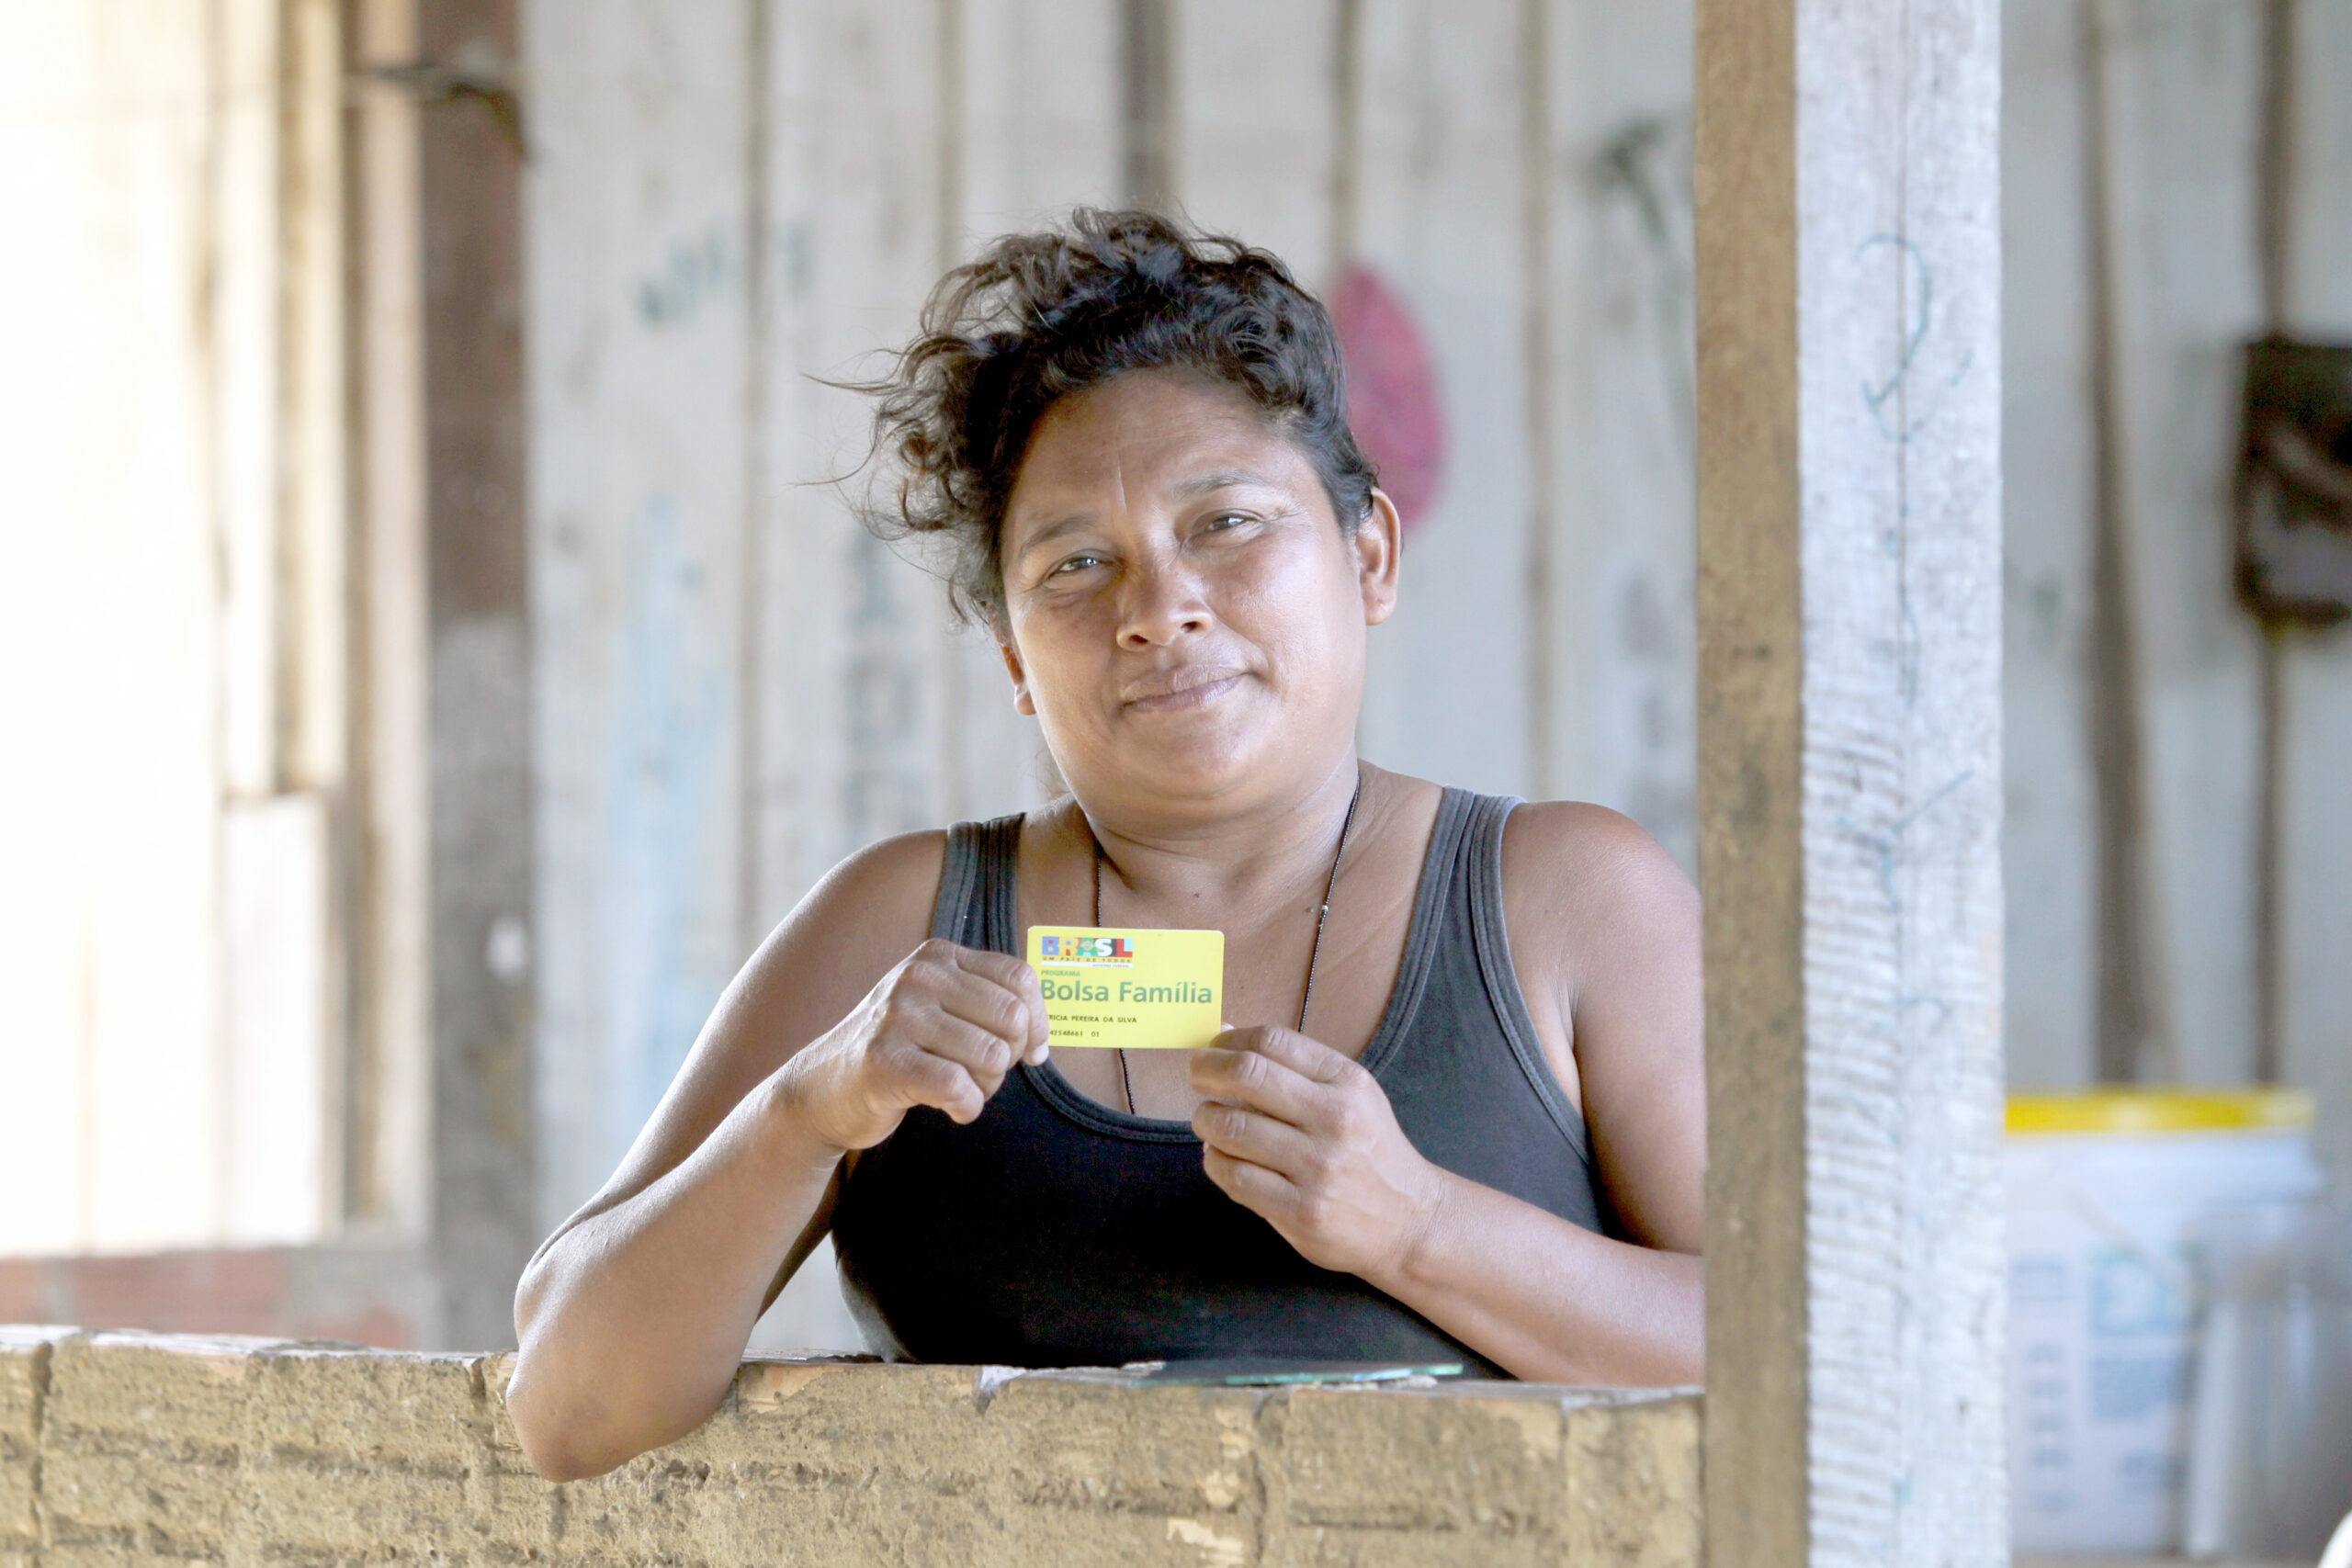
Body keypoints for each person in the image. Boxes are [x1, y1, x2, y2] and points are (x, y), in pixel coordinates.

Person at [506, 210, 1704, 1483]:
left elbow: (1807, 1354)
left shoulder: (1568, 901)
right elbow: (568, 1408)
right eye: (1078, 564)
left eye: (1227, 524)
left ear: (1370, 557)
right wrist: (807, 1112)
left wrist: (1419, 1227)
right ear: (1020, 660)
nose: (1158, 609)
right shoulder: (903, 923)